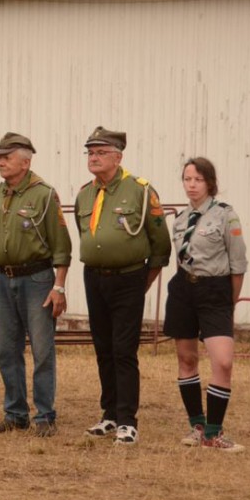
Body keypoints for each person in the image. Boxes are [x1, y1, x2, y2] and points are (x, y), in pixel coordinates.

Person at [74, 126, 170, 445]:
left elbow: (160, 244)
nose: (94, 158)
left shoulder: (141, 191)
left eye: (100, 152)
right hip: (95, 277)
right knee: (103, 348)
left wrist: (143, 282)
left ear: (118, 156)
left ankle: (128, 421)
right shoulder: (85, 193)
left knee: (123, 349)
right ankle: (110, 415)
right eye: (90, 152)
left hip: (129, 277)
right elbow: (85, 234)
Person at [0, 133, 70, 436]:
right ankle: (15, 413)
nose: (1, 161)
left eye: (7, 156)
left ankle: (44, 415)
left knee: (42, 350)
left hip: (37, 279)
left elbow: (61, 247)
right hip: (4, 281)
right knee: (7, 350)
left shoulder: (44, 194)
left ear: (26, 161)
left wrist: (58, 287)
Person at [164, 158, 247, 452]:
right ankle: (198, 427)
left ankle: (215, 431)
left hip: (216, 291)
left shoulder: (226, 216)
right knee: (186, 359)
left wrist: (230, 302)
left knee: (223, 362)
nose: (192, 185)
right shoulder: (179, 220)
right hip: (184, 289)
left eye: (198, 179)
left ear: (210, 183)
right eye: (187, 179)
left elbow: (238, 265)